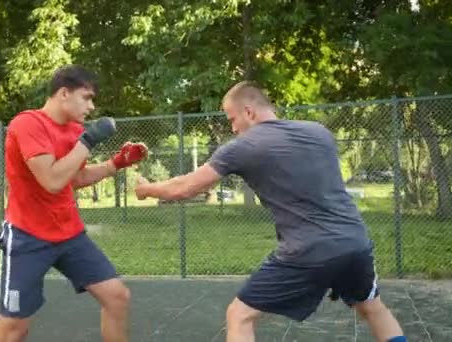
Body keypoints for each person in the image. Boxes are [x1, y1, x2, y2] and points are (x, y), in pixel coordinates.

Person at [134, 81, 406, 342]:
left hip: (309, 249)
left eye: (231, 119)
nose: (233, 128)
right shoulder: (318, 131)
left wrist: (147, 189)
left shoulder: (242, 147)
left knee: (239, 316)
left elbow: (185, 188)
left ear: (249, 112)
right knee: (372, 307)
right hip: (355, 242)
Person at [0, 64, 148, 342]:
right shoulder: (28, 124)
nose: (91, 106)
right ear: (63, 93)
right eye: (86, 97)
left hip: (69, 234)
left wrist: (116, 163)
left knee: (117, 297)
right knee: (13, 332)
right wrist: (89, 139)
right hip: (27, 237)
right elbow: (52, 180)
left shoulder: (74, 131)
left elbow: (76, 177)